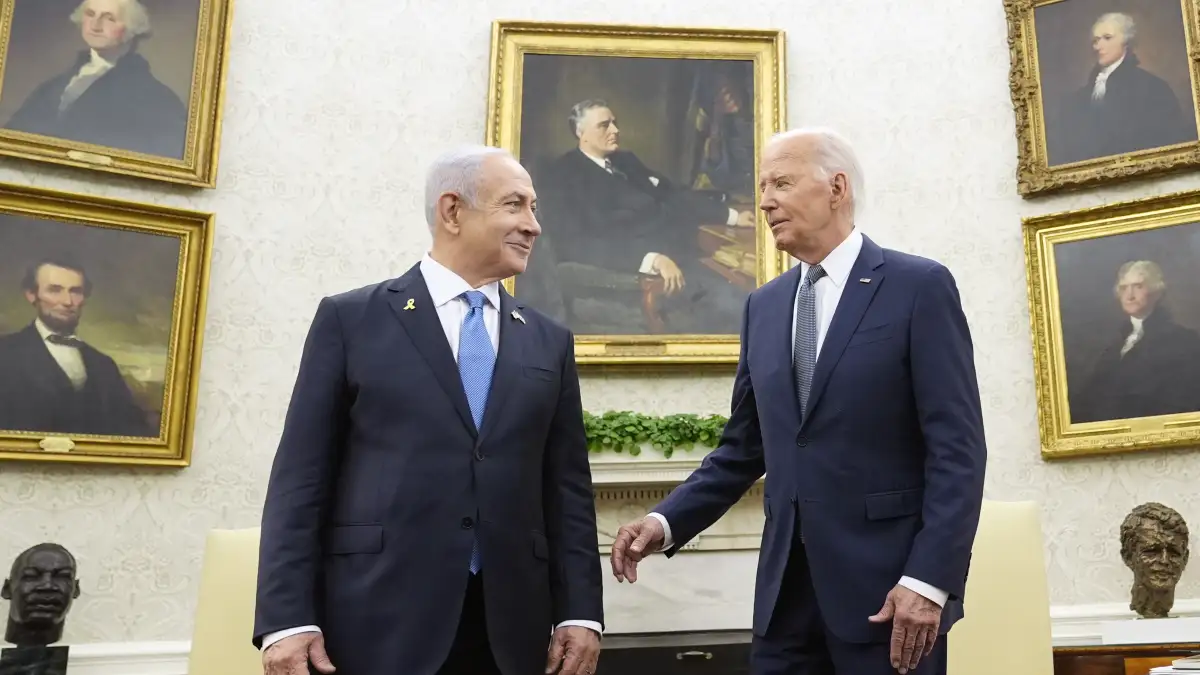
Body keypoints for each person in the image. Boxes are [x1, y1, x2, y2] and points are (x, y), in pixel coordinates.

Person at [609, 128, 987, 675]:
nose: (764, 201)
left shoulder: (918, 286)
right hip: (785, 606)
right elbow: (742, 451)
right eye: (762, 186)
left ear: (836, 188)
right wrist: (664, 522)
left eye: (781, 183)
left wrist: (929, 582)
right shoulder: (762, 307)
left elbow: (958, 452)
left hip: (890, 600)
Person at [253, 145, 604, 675]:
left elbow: (568, 490)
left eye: (534, 209)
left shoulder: (549, 341)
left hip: (511, 631)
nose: (533, 226)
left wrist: (581, 613)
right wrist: (286, 619)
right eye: (515, 205)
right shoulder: (351, 320)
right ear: (452, 211)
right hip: (376, 622)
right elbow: (301, 480)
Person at [3, 0, 188, 158]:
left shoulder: (156, 98)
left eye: (109, 18)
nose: (95, 25)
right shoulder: (55, 86)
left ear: (133, 29)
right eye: (90, 14)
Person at [0, 257, 151, 438]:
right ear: (32, 295)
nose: (68, 301)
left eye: (76, 291)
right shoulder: (6, 353)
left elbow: (132, 431)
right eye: (55, 290)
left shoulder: (104, 365)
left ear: (84, 298)